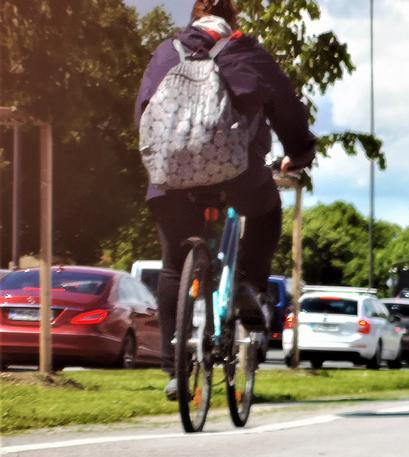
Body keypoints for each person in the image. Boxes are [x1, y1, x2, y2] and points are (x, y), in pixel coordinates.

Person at [135, 0, 316, 399]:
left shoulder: (166, 52)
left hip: (170, 180)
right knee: (267, 211)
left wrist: (162, 162)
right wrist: (298, 154)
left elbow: (144, 112)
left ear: (194, 19)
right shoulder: (246, 50)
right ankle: (247, 285)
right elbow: (287, 109)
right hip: (237, 176)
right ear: (231, 19)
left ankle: (172, 369)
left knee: (171, 266)